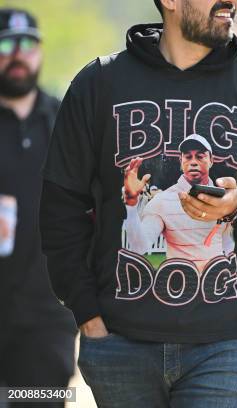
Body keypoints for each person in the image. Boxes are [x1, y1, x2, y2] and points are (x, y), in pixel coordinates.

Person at [39, 0, 237, 406]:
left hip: (226, 345)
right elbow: (60, 207)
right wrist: (86, 311)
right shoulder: (99, 83)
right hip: (121, 343)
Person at [0, 8, 76, 407]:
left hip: (46, 321)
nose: (18, 54)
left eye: (28, 44)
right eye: (6, 44)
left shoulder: (63, 121)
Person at [124, 134, 234, 272]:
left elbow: (228, 244)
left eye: (200, 156)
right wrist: (131, 204)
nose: (193, 162)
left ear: (211, 160)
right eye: (188, 157)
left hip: (217, 287)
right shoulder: (162, 201)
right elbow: (138, 247)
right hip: (178, 288)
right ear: (181, 161)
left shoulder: (226, 198)